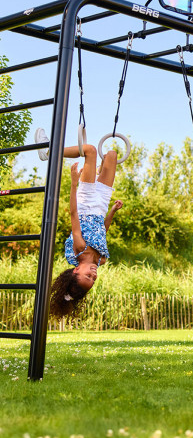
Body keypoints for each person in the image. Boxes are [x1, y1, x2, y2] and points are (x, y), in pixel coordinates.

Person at [34, 128, 124, 318]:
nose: (93, 274)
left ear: (76, 270)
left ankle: (49, 153)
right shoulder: (102, 259)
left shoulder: (80, 248)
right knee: (112, 155)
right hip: (101, 204)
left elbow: (74, 214)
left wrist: (74, 183)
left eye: (87, 276)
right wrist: (112, 212)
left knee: (90, 150)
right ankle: (96, 169)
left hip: (85, 202)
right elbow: (102, 231)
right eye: (93, 279)